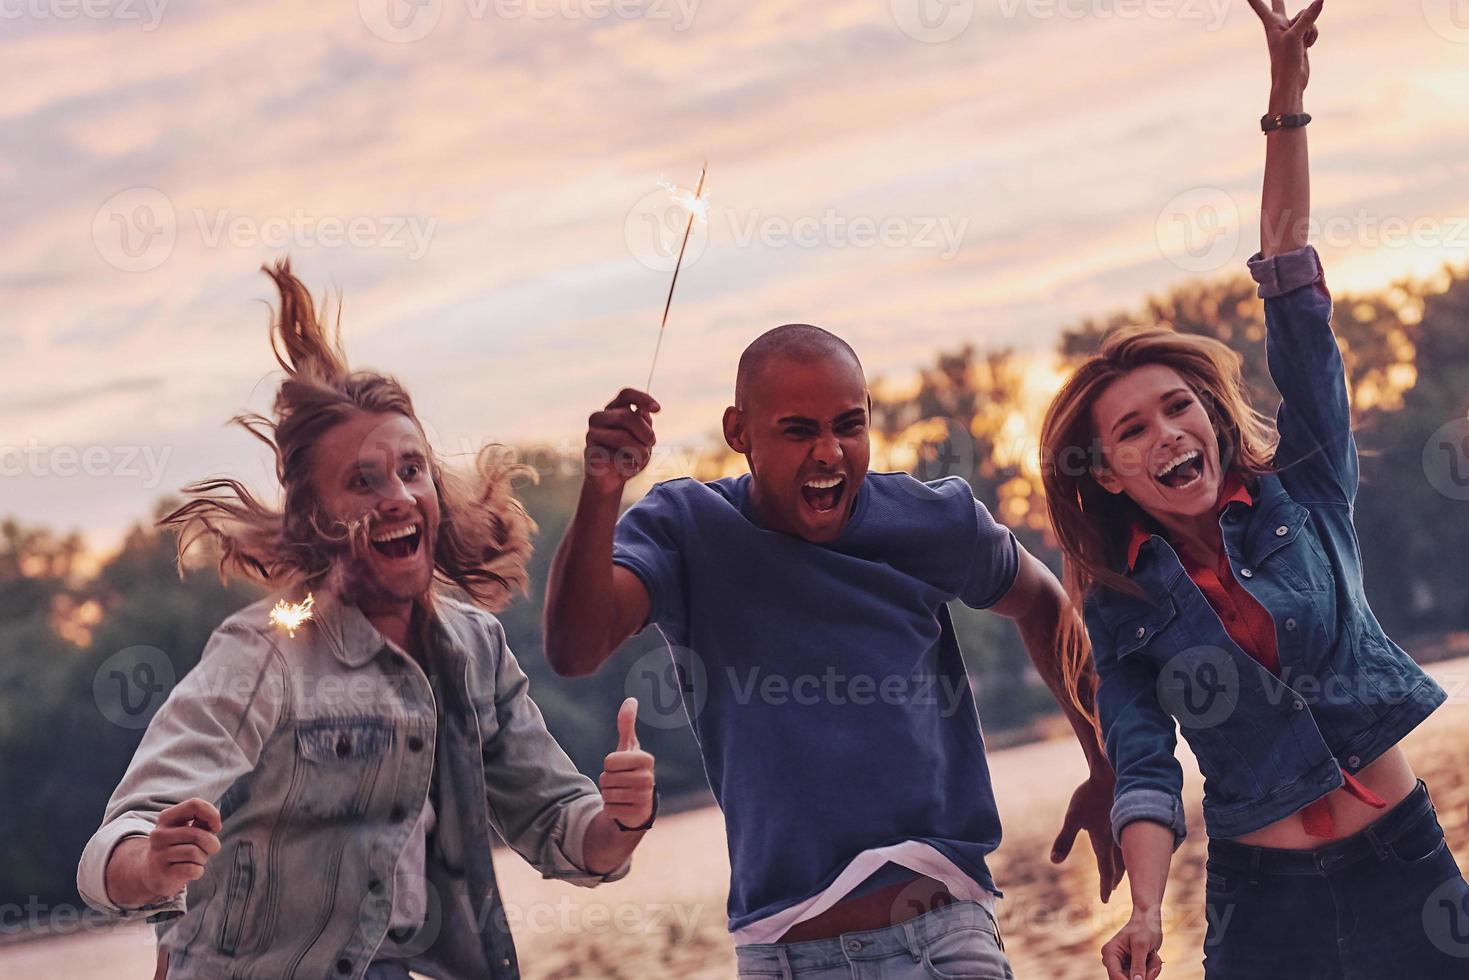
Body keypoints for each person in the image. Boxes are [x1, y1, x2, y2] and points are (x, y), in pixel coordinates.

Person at [1038, 3, 1469, 977]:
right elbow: (1143, 767)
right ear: (1105, 470)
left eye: (1177, 406)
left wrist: (1284, 101)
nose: (1167, 433)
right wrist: (1144, 911)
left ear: (1210, 413)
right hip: (1260, 909)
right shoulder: (1120, 601)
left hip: (1407, 866)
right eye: (1131, 429)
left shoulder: (1304, 488)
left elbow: (1289, 291)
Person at [76, 260, 657, 980]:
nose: (397, 496)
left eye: (411, 470)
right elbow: (118, 843)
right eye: (362, 481)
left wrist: (622, 819)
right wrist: (156, 867)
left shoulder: (473, 650)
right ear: (316, 518)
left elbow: (562, 827)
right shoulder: (263, 653)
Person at [544, 324, 1123, 978]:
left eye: (848, 426)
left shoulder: (930, 520)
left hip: (944, 942)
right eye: (797, 431)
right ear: (740, 434)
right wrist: (600, 490)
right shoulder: (687, 529)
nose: (829, 452)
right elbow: (574, 647)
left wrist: (1103, 764)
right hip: (782, 952)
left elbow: (1043, 602)